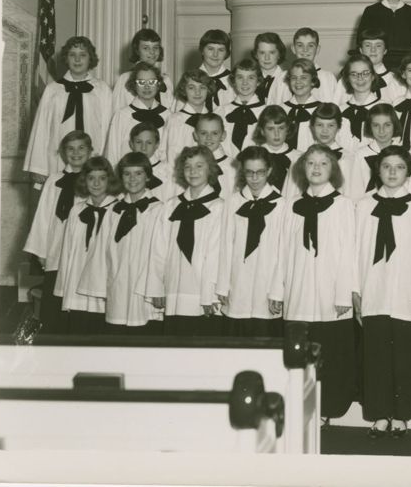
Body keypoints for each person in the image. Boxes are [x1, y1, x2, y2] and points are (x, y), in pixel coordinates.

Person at [269, 145, 357, 420]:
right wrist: (277, 290)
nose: (316, 168)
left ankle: (328, 408)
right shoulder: (290, 204)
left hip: (330, 291)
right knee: (301, 353)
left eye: (323, 163)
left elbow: (349, 251)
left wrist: (344, 293)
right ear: (302, 168)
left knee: (331, 352)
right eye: (311, 163)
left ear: (333, 169)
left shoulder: (343, 205)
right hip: (298, 290)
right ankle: (304, 408)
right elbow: (281, 249)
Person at [352, 145, 411, 438]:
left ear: (409, 171)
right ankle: (380, 413)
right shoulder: (362, 205)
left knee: (406, 357)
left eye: (399, 167)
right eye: (386, 166)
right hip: (373, 290)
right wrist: (355, 290)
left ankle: (402, 415)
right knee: (376, 356)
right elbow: (355, 251)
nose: (393, 172)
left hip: (407, 293)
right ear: (378, 170)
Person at [78, 152, 163, 334]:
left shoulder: (158, 210)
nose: (132, 179)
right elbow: (101, 251)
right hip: (117, 286)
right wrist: (101, 288)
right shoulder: (114, 210)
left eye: (138, 173)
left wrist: (157, 288)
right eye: (127, 174)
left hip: (143, 289)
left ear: (148, 176)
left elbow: (160, 255)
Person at [145, 144, 226, 336]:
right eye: (188, 166)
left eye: (199, 166)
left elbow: (216, 256)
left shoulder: (219, 207)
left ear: (210, 169)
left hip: (202, 294)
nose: (193, 171)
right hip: (174, 289)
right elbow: (158, 250)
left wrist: (211, 295)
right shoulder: (171, 205)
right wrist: (156, 288)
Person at [24, 131, 94, 333]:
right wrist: (41, 253)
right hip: (56, 248)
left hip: (84, 250)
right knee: (54, 301)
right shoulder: (54, 180)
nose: (76, 153)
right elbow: (43, 217)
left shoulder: (96, 179)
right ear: (63, 153)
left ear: (90, 151)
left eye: (81, 148)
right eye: (70, 148)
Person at [217, 145, 286, 337]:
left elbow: (283, 252)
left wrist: (277, 291)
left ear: (269, 171)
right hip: (237, 284)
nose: (254, 178)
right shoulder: (233, 201)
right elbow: (225, 244)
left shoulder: (281, 204)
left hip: (266, 287)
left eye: (260, 172)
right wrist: (223, 284)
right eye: (249, 172)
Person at [25, 36, 113, 182]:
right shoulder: (53, 89)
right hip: (58, 158)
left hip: (93, 157)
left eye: (82, 55)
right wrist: (38, 167)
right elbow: (42, 128)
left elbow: (108, 128)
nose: (77, 60)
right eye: (72, 55)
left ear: (90, 58)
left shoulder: (102, 89)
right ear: (66, 58)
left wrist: (106, 161)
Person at [55, 155, 119, 334]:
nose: (96, 183)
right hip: (77, 284)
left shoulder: (118, 211)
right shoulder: (77, 211)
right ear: (84, 181)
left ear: (110, 180)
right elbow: (67, 251)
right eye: (91, 178)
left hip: (104, 289)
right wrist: (64, 289)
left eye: (102, 178)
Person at [104, 62, 170, 168]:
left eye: (152, 82)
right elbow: (112, 154)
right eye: (141, 82)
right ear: (134, 85)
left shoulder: (168, 115)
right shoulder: (122, 116)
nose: (147, 87)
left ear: (158, 85)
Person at [110, 28, 174, 111]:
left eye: (155, 47)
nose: (152, 52)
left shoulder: (166, 80)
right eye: (146, 48)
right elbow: (117, 112)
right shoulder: (125, 79)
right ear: (137, 50)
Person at [220, 58, 267, 156]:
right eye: (240, 77)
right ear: (233, 81)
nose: (245, 82)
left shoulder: (267, 112)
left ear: (258, 82)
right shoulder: (221, 111)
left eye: (251, 78)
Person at [290, 27, 338, 104]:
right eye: (300, 45)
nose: (305, 50)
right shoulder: (283, 78)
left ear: (317, 49)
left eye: (310, 45)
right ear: (293, 48)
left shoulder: (327, 77)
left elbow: (335, 106)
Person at [197, 29, 234, 112]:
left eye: (221, 50)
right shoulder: (191, 79)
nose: (215, 54)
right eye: (210, 49)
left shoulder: (233, 81)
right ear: (202, 50)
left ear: (227, 53)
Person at [252, 32, 288, 105]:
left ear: (279, 54)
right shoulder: (250, 78)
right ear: (256, 55)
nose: (267, 58)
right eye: (262, 53)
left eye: (272, 52)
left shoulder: (287, 80)